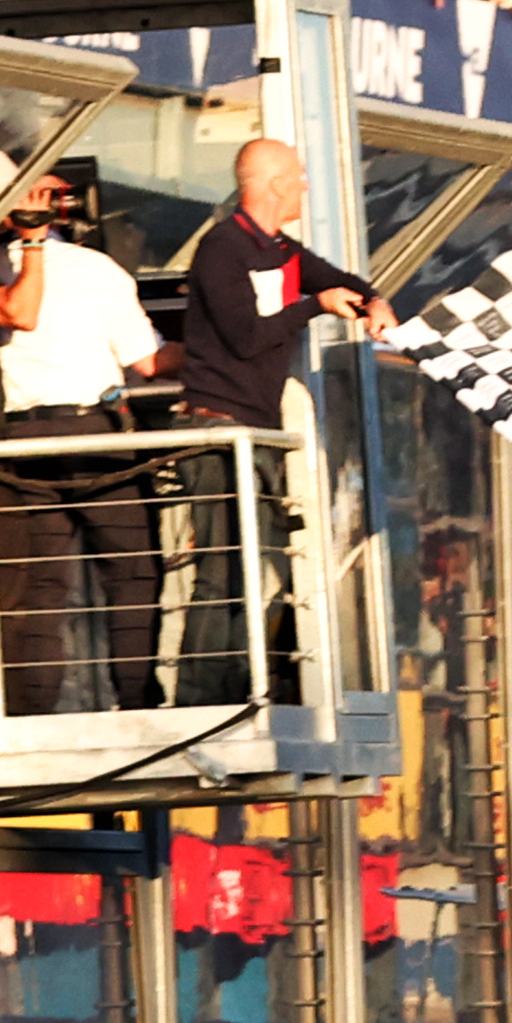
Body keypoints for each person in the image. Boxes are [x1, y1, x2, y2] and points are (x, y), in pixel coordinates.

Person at [168, 137, 381, 706]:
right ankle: (199, 701)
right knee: (221, 571)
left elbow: (339, 280)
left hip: (256, 433)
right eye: (299, 176)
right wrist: (314, 306)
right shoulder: (222, 248)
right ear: (274, 183)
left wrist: (374, 301)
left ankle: (240, 690)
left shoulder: (282, 248)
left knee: (258, 570)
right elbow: (245, 337)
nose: (306, 186)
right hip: (215, 430)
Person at [0, 164, 174, 716]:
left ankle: (32, 709)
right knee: (132, 572)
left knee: (41, 585)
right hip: (92, 435)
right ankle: (136, 700)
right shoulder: (97, 269)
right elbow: (147, 361)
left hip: (19, 442)